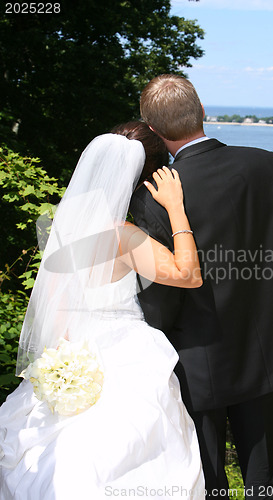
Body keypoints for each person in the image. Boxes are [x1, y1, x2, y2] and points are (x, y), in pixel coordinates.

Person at [130, 74, 273, 498]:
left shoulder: (154, 193)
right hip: (267, 349)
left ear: (155, 130)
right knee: (271, 480)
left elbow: (159, 295)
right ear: (203, 112)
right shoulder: (267, 164)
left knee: (205, 481)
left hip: (196, 361)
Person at [0, 133, 206, 500]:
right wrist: (175, 207)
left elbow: (56, 307)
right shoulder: (122, 236)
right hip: (125, 349)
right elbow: (188, 275)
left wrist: (61, 365)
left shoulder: (62, 229)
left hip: (74, 347)